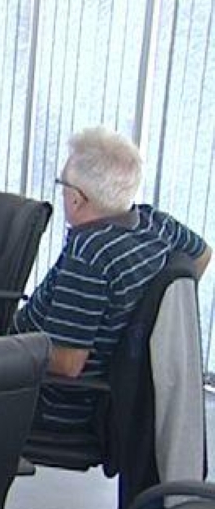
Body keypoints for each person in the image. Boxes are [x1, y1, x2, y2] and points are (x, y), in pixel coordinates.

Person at [12, 126, 210, 431]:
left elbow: (67, 364)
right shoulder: (155, 223)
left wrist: (7, 351)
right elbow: (203, 254)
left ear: (77, 199)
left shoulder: (91, 253)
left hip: (47, 401)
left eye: (62, 184)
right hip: (97, 392)